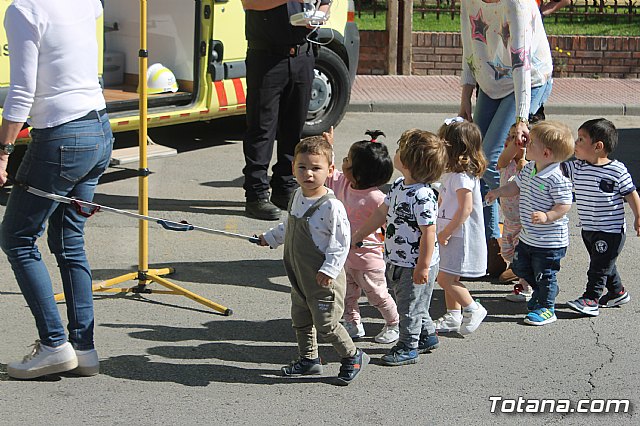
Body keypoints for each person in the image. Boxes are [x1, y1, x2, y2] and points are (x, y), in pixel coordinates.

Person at [0, 0, 113, 379]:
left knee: (17, 237)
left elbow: (22, 88)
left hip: (63, 134)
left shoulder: (24, 10)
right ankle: (83, 349)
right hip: (99, 129)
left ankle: (53, 344)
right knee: (69, 240)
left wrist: (3, 151)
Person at [257, 136, 369, 385]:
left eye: (316, 168)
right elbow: (289, 225)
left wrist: (329, 269)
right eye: (302, 167)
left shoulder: (332, 207)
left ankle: (353, 356)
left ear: (329, 171)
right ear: (293, 168)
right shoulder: (297, 195)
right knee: (301, 318)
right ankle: (309, 359)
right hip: (299, 274)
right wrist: (270, 238)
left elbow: (340, 243)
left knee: (327, 323)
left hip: (323, 278)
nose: (308, 173)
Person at [459, 0, 554, 276]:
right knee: (474, 161)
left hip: (529, 78)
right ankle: (492, 247)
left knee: (489, 163)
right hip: (491, 80)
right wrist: (465, 94)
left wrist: (522, 118)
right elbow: (470, 45)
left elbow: (521, 63)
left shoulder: (517, 3)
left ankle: (520, 241)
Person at [352, 129, 447, 366]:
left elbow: (429, 232)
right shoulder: (398, 186)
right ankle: (426, 335)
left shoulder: (423, 196)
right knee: (415, 303)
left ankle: (407, 345)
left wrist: (423, 266)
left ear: (407, 162)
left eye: (399, 150)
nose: (395, 153)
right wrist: (361, 234)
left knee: (408, 307)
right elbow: (382, 213)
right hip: (397, 258)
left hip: (415, 263)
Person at [241, 0, 331, 220]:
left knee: (293, 127)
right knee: (262, 129)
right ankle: (256, 194)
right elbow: (249, 3)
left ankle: (284, 187)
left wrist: (319, 15)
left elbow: (326, 3)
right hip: (268, 56)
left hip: (303, 54)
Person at [486, 121, 574, 326]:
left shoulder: (556, 178)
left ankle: (547, 307)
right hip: (528, 236)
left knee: (545, 274)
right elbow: (515, 186)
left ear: (546, 153)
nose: (527, 144)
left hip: (549, 241)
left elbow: (565, 204)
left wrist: (548, 216)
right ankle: (545, 291)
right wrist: (498, 192)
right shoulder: (530, 169)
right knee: (520, 267)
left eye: (532, 142)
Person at [323, 128, 400, 344]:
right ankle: (353, 322)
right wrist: (329, 146)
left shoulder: (377, 198)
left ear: (358, 172)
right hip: (343, 255)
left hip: (368, 258)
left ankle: (394, 323)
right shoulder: (343, 183)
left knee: (377, 295)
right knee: (347, 293)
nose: (343, 162)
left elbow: (391, 225)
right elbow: (329, 172)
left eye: (348, 159)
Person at [563, 118, 640, 317]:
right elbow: (556, 170)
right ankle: (617, 292)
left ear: (598, 146)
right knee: (605, 264)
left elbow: (631, 194)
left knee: (597, 268)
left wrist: (638, 216)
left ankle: (591, 298)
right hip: (589, 229)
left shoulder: (617, 170)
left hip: (611, 231)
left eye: (581, 140)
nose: (575, 144)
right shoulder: (578, 167)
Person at [433, 119, 489, 335]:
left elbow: (465, 209)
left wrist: (446, 232)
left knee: (444, 277)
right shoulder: (453, 175)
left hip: (458, 234)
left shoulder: (461, 178)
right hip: (451, 231)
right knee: (449, 274)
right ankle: (453, 315)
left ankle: (472, 307)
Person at [496, 125, 534, 302]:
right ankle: (525, 278)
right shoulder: (506, 163)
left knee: (522, 255)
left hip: (526, 222)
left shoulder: (534, 166)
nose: (512, 141)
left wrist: (526, 168)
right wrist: (515, 142)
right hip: (509, 219)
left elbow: (540, 187)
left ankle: (525, 286)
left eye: (517, 138)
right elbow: (502, 159)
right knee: (508, 253)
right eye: (509, 137)